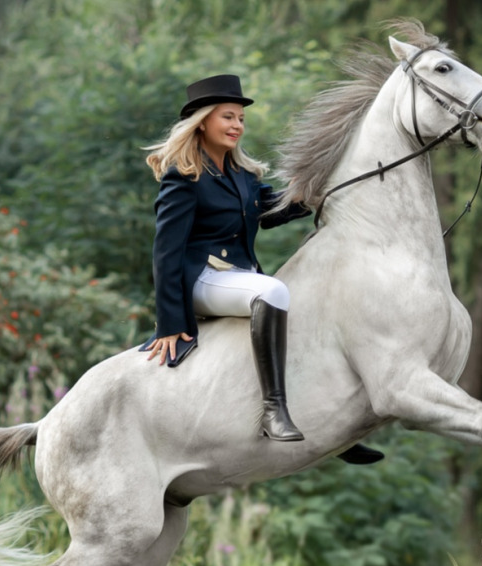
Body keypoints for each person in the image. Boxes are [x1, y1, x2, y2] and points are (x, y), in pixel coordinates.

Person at [142, 75, 382, 462]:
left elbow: (270, 212)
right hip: (199, 279)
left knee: (300, 302)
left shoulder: (242, 175)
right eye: (228, 117)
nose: (237, 125)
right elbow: (165, 251)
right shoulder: (183, 177)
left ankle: (328, 419)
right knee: (272, 292)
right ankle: (272, 411)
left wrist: (325, 189)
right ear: (202, 121)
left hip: (236, 276)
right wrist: (170, 322)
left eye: (240, 118)